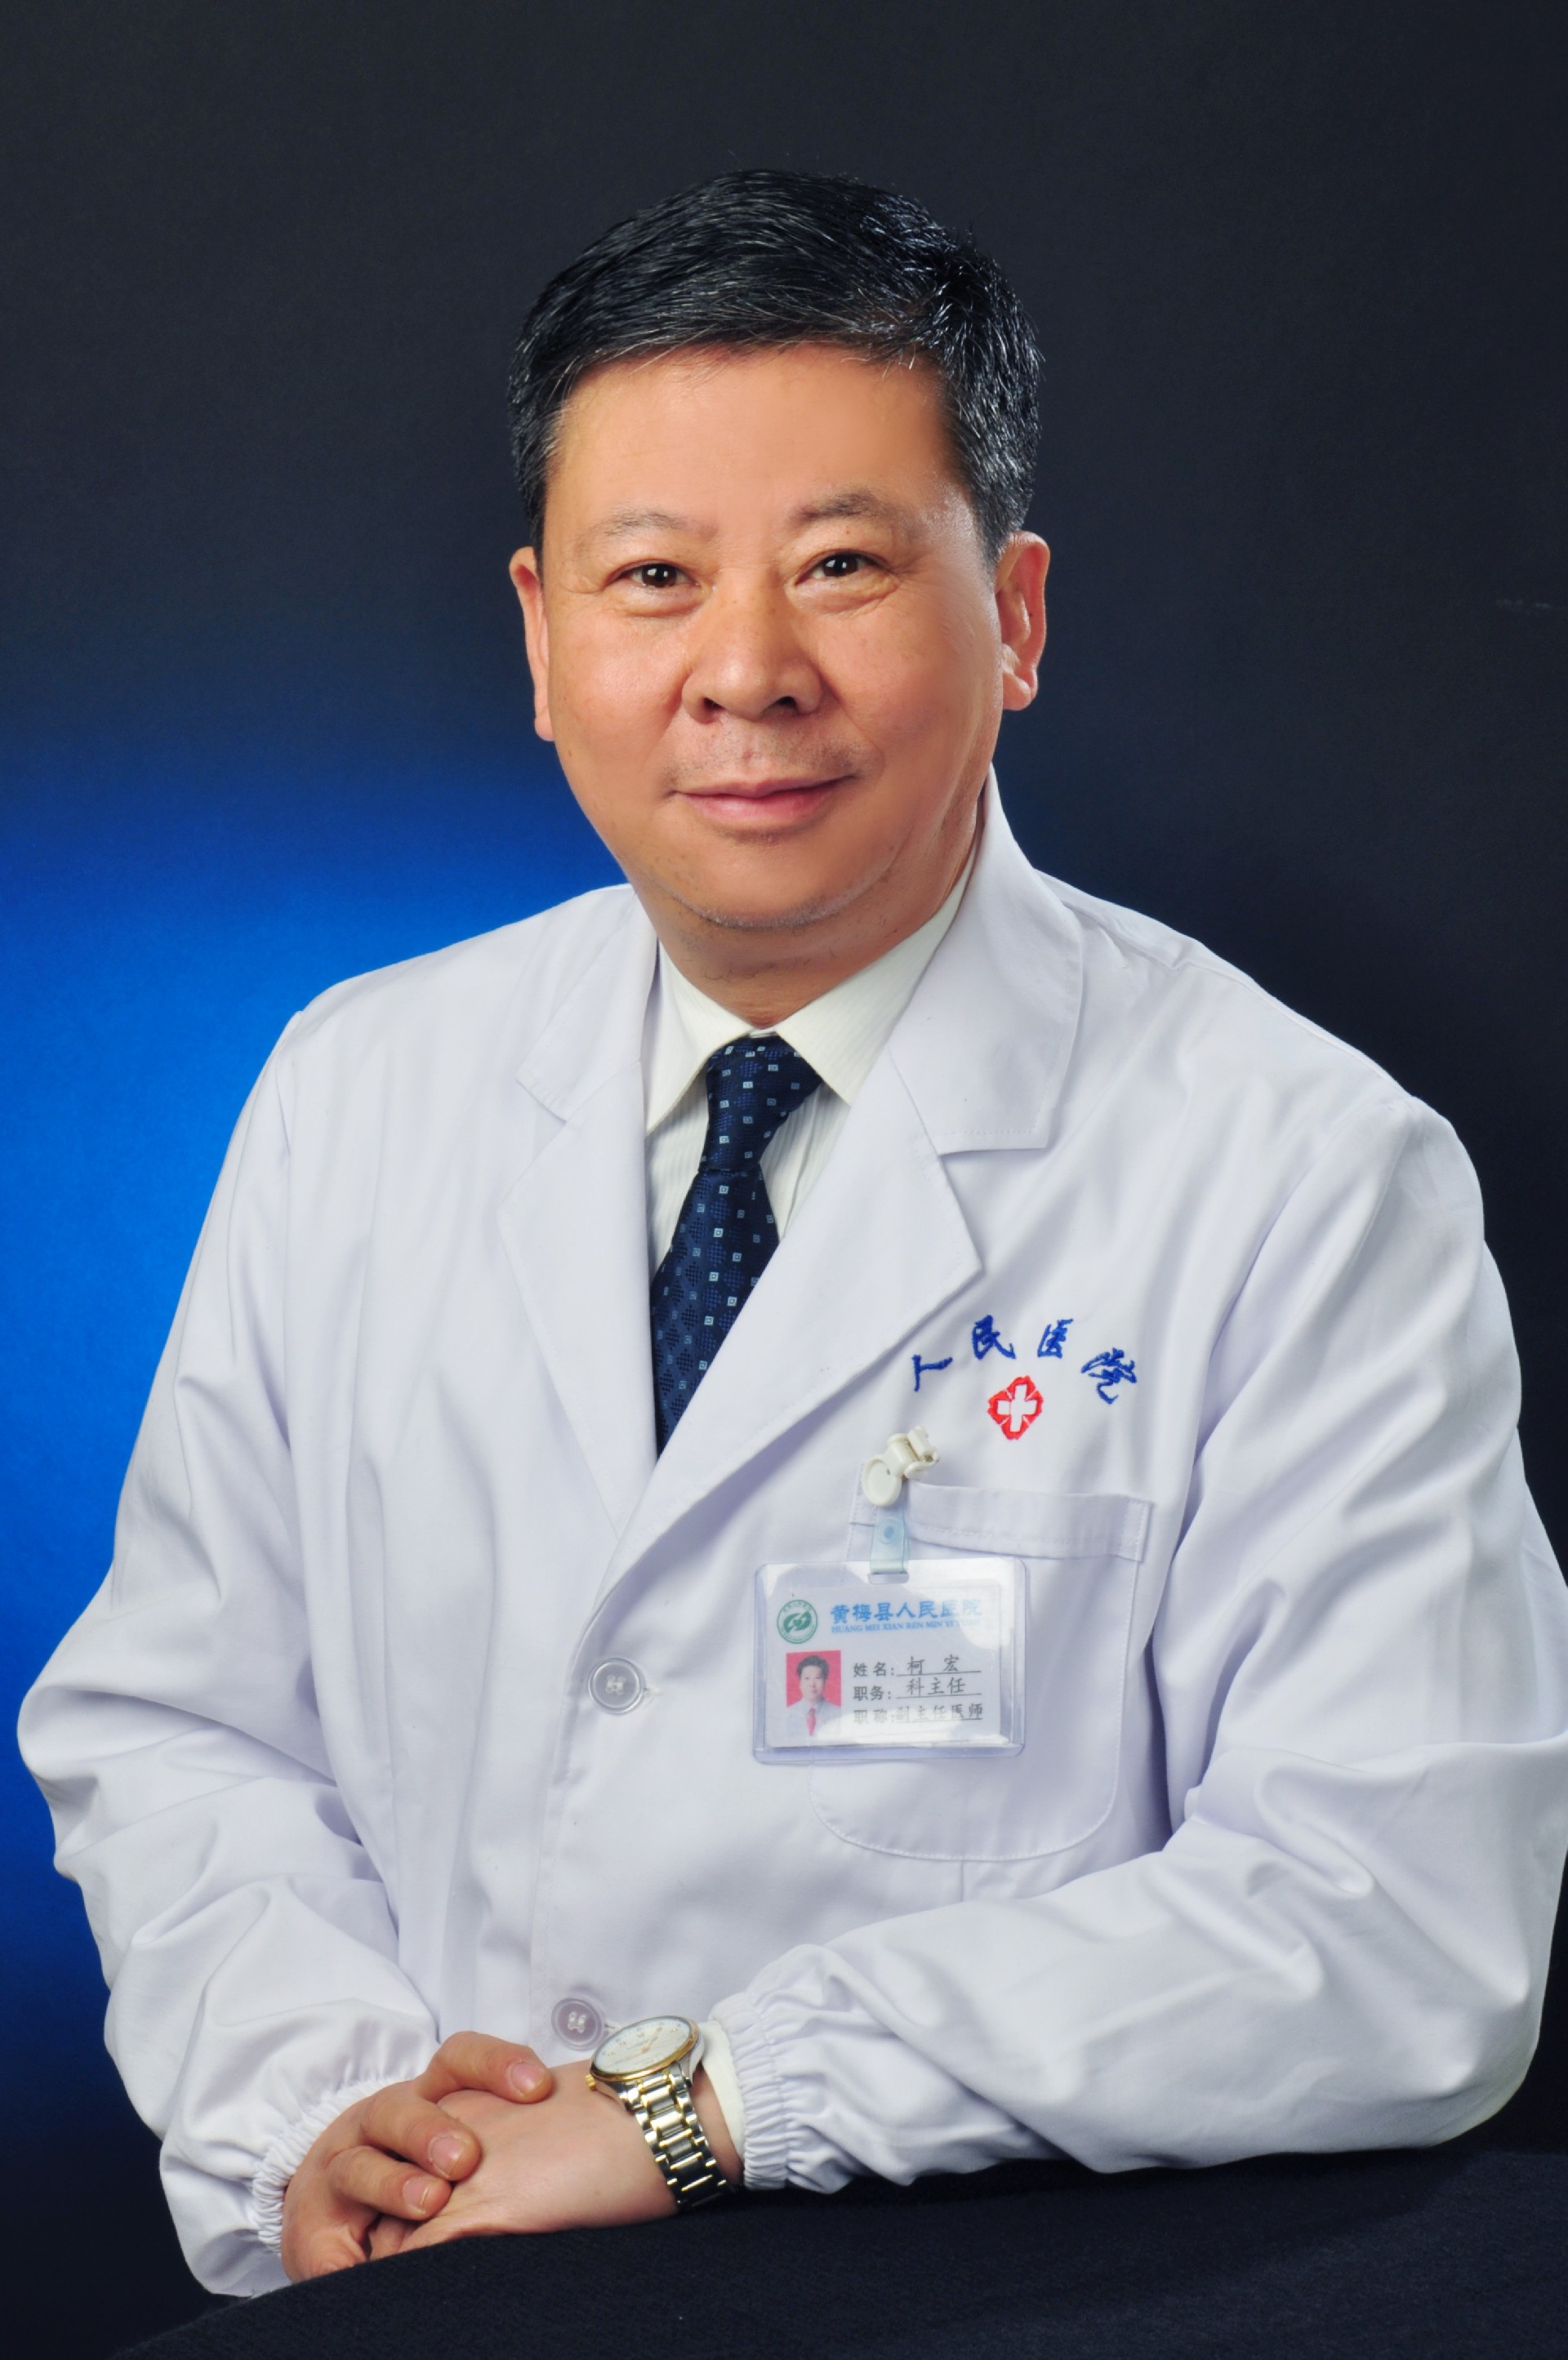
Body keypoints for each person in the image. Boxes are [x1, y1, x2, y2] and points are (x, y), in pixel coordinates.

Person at [20, 170, 1568, 2300]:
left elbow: (1402, 1919)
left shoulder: (1301, 1170)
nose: (744, 673)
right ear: (542, 637)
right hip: (427, 2287)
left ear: (1015, 616)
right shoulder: (358, 1085)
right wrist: (330, 2110)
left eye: (843, 565)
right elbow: (182, 1725)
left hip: (978, 2297)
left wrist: (712, 2102)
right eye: (652, 577)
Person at [783, 1656, 840, 1743]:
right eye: (807, 1678)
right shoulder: (787, 1714)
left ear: (825, 1682)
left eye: (817, 1678)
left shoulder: (838, 1714)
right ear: (800, 1682)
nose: (812, 1684)